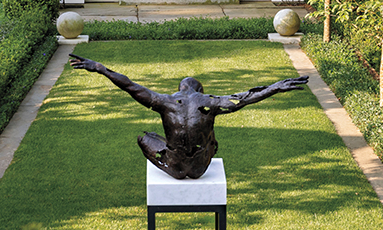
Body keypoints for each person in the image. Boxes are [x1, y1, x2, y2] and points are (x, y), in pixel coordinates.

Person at [68, 54, 309, 179]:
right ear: (199, 91)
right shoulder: (210, 102)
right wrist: (276, 87)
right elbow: (244, 98)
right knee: (210, 135)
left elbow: (130, 85)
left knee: (145, 137)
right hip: (199, 169)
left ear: (181, 89)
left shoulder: (163, 101)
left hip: (174, 166)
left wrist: (100, 68)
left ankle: (172, 157)